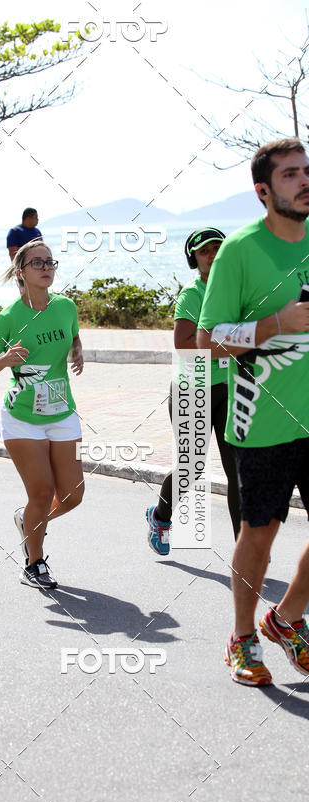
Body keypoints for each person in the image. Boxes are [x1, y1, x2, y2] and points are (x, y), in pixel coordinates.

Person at [197, 138, 309, 686]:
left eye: (306, 171)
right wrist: (274, 325)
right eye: (291, 174)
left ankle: (286, 619)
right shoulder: (240, 250)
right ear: (263, 191)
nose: (305, 181)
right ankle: (242, 637)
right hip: (264, 419)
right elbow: (208, 340)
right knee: (259, 534)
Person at [0, 239, 84, 589]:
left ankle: (29, 521)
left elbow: (73, 337)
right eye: (37, 263)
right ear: (20, 272)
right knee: (41, 492)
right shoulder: (10, 316)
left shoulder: (66, 306)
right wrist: (4, 360)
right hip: (21, 416)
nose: (46, 267)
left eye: (50, 262)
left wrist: (78, 350)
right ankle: (34, 564)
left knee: (73, 495)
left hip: (62, 411)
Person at [146, 227, 241, 554]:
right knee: (191, 467)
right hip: (192, 391)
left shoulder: (238, 289)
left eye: (217, 248)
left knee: (238, 472)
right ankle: (160, 516)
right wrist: (230, 345)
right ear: (194, 259)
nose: (212, 255)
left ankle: (245, 552)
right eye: (204, 251)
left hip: (229, 387)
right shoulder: (192, 294)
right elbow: (184, 345)